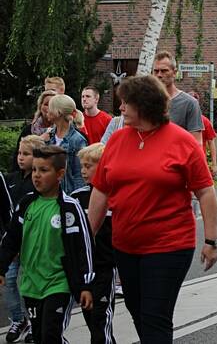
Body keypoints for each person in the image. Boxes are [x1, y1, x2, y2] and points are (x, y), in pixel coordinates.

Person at [88, 75, 217, 343]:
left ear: (145, 105)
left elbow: (205, 191)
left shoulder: (181, 141)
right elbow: (101, 189)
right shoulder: (117, 140)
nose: (121, 108)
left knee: (155, 315)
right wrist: (86, 237)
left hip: (169, 245)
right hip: (125, 245)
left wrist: (211, 240)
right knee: (137, 311)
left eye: (126, 103)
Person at [0, 146, 94, 344]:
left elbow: (83, 247)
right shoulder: (26, 204)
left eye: (43, 170)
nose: (36, 176)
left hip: (58, 284)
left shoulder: (69, 207)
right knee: (41, 337)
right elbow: (11, 239)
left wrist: (85, 284)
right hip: (32, 285)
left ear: (60, 174)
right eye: (34, 170)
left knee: (51, 335)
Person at [70, 143, 117, 344]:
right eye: (82, 165)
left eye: (89, 166)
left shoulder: (117, 197)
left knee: (101, 320)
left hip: (104, 268)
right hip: (83, 272)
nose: (83, 170)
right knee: (91, 319)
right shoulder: (76, 198)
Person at [0, 136, 44, 343]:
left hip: (32, 243)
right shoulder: (10, 179)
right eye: (19, 153)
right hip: (12, 242)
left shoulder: (39, 184)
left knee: (28, 284)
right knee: (9, 283)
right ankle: (19, 320)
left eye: (26, 154)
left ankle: (35, 322)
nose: (20, 158)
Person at [152, 51, 204, 144]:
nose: (159, 75)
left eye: (164, 71)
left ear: (174, 72)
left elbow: (197, 143)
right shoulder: (144, 101)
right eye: (156, 71)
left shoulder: (189, 103)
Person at [44, 94, 88, 193]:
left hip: (68, 195)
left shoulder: (78, 140)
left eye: (50, 107)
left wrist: (77, 199)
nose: (47, 110)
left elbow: (80, 175)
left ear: (58, 112)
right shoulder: (48, 136)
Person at [11, 89, 57, 172]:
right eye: (46, 104)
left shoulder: (61, 131)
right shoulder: (29, 130)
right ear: (40, 106)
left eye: (52, 105)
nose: (49, 108)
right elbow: (17, 156)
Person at [189, 92, 217, 178]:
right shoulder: (180, 119)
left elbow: (211, 142)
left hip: (199, 161)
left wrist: (214, 164)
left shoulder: (204, 121)